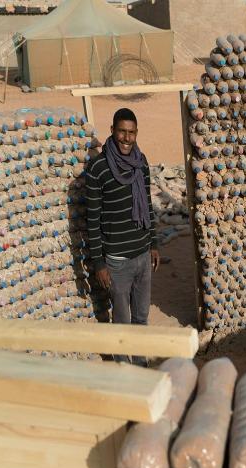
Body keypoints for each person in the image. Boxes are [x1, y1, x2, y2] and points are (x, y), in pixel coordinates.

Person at [86, 108, 160, 366]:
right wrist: (99, 263)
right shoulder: (98, 169)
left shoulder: (141, 163)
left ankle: (140, 367)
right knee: (122, 322)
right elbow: (92, 220)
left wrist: (153, 243)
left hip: (142, 255)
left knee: (141, 318)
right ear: (112, 131)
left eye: (131, 132)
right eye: (122, 132)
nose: (127, 138)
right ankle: (124, 371)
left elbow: (148, 205)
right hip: (116, 261)